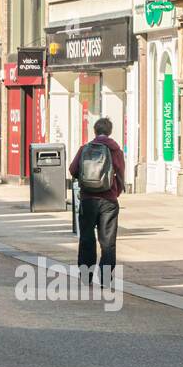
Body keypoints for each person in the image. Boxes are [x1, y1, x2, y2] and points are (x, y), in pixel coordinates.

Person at [68, 117, 126, 288]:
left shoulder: (85, 149)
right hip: (108, 200)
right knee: (108, 241)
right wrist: (116, 190)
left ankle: (86, 276)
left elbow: (73, 169)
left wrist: (85, 182)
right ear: (110, 131)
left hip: (88, 199)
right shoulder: (115, 150)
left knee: (86, 238)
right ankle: (106, 279)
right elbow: (121, 173)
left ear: (94, 131)